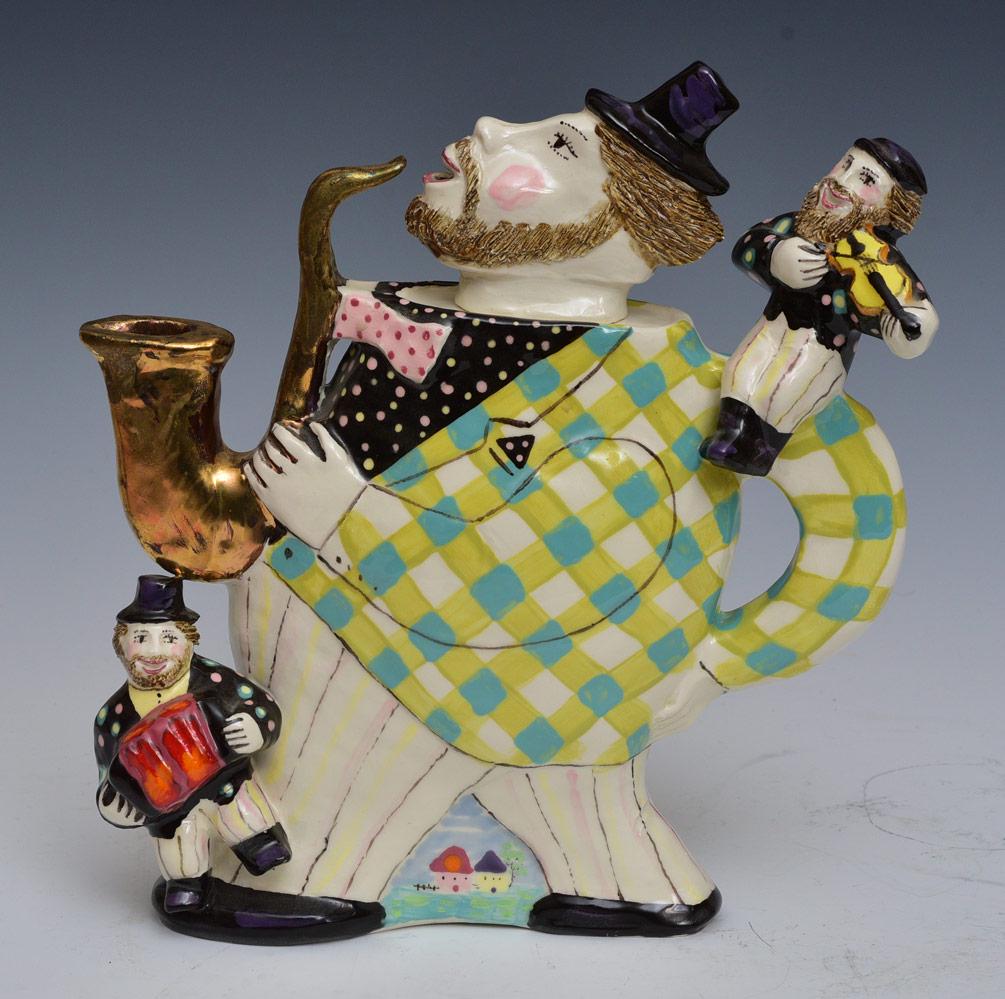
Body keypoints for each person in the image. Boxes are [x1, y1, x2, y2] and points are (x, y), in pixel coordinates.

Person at [238, 62, 742, 938]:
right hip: (349, 670)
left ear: (625, 229)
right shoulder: (409, 313)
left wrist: (723, 660)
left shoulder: (648, 382)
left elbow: (540, 565)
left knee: (336, 842)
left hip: (460, 689)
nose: (487, 125)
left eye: (557, 147)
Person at [699, 137, 939, 475]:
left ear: (890, 209)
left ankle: (757, 449)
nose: (841, 180)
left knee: (785, 389)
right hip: (772, 326)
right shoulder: (798, 226)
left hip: (825, 348)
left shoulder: (882, 260)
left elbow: (917, 307)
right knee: (740, 371)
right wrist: (776, 255)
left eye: (865, 179)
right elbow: (748, 245)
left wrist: (911, 328)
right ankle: (730, 434)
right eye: (845, 165)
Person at [94, 575, 290, 914]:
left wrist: (257, 727)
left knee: (244, 818)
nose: (154, 652)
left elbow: (262, 705)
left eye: (168, 638)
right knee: (180, 853)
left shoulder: (214, 680)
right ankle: (188, 889)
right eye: (140, 638)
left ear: (189, 641)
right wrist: (113, 804)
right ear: (121, 645)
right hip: (168, 812)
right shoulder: (113, 716)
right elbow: (106, 774)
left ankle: (264, 850)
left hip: (227, 785)